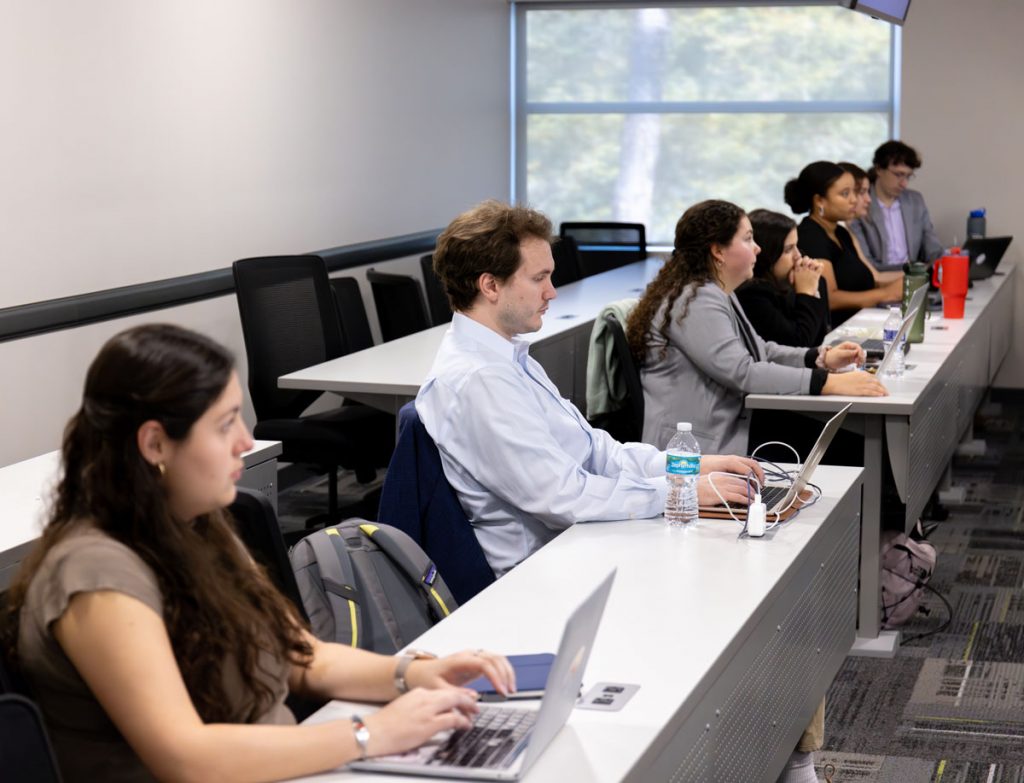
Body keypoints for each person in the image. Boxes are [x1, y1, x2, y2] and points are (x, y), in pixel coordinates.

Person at [1, 324, 515, 782]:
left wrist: (412, 675)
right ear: (155, 444)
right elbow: (186, 758)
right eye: (225, 424)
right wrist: (370, 735)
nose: (246, 441)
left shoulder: (196, 523)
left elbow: (300, 655)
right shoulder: (95, 572)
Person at [417, 200, 763, 577]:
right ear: (490, 285)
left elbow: (596, 452)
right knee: (720, 567)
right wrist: (682, 490)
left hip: (575, 544)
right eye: (539, 278)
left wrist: (688, 466)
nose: (552, 292)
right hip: (542, 572)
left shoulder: (508, 356)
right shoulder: (478, 380)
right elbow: (565, 497)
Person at [626, 200, 887, 456]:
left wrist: (820, 358)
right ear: (718, 251)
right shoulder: (695, 300)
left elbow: (760, 349)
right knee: (854, 446)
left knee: (850, 441)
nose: (758, 248)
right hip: (697, 446)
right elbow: (743, 372)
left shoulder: (716, 291)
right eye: (748, 239)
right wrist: (827, 382)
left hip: (728, 427)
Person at [785, 161, 903, 327]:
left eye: (854, 192)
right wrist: (885, 294)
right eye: (845, 194)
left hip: (859, 324)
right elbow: (830, 298)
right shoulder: (810, 235)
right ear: (819, 201)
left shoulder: (841, 233)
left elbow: (867, 281)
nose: (854, 200)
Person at [735, 209, 831, 348]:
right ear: (766, 253)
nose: (798, 256)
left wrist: (814, 284)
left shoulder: (785, 285)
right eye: (788, 250)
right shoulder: (752, 294)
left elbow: (818, 337)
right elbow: (800, 343)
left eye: (796, 246)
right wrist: (806, 293)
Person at [848, 140, 944, 269]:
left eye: (908, 176)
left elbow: (933, 248)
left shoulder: (915, 201)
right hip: (879, 277)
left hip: (915, 275)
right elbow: (867, 263)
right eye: (899, 175)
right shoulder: (861, 204)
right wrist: (913, 271)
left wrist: (942, 262)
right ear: (879, 169)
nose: (904, 183)